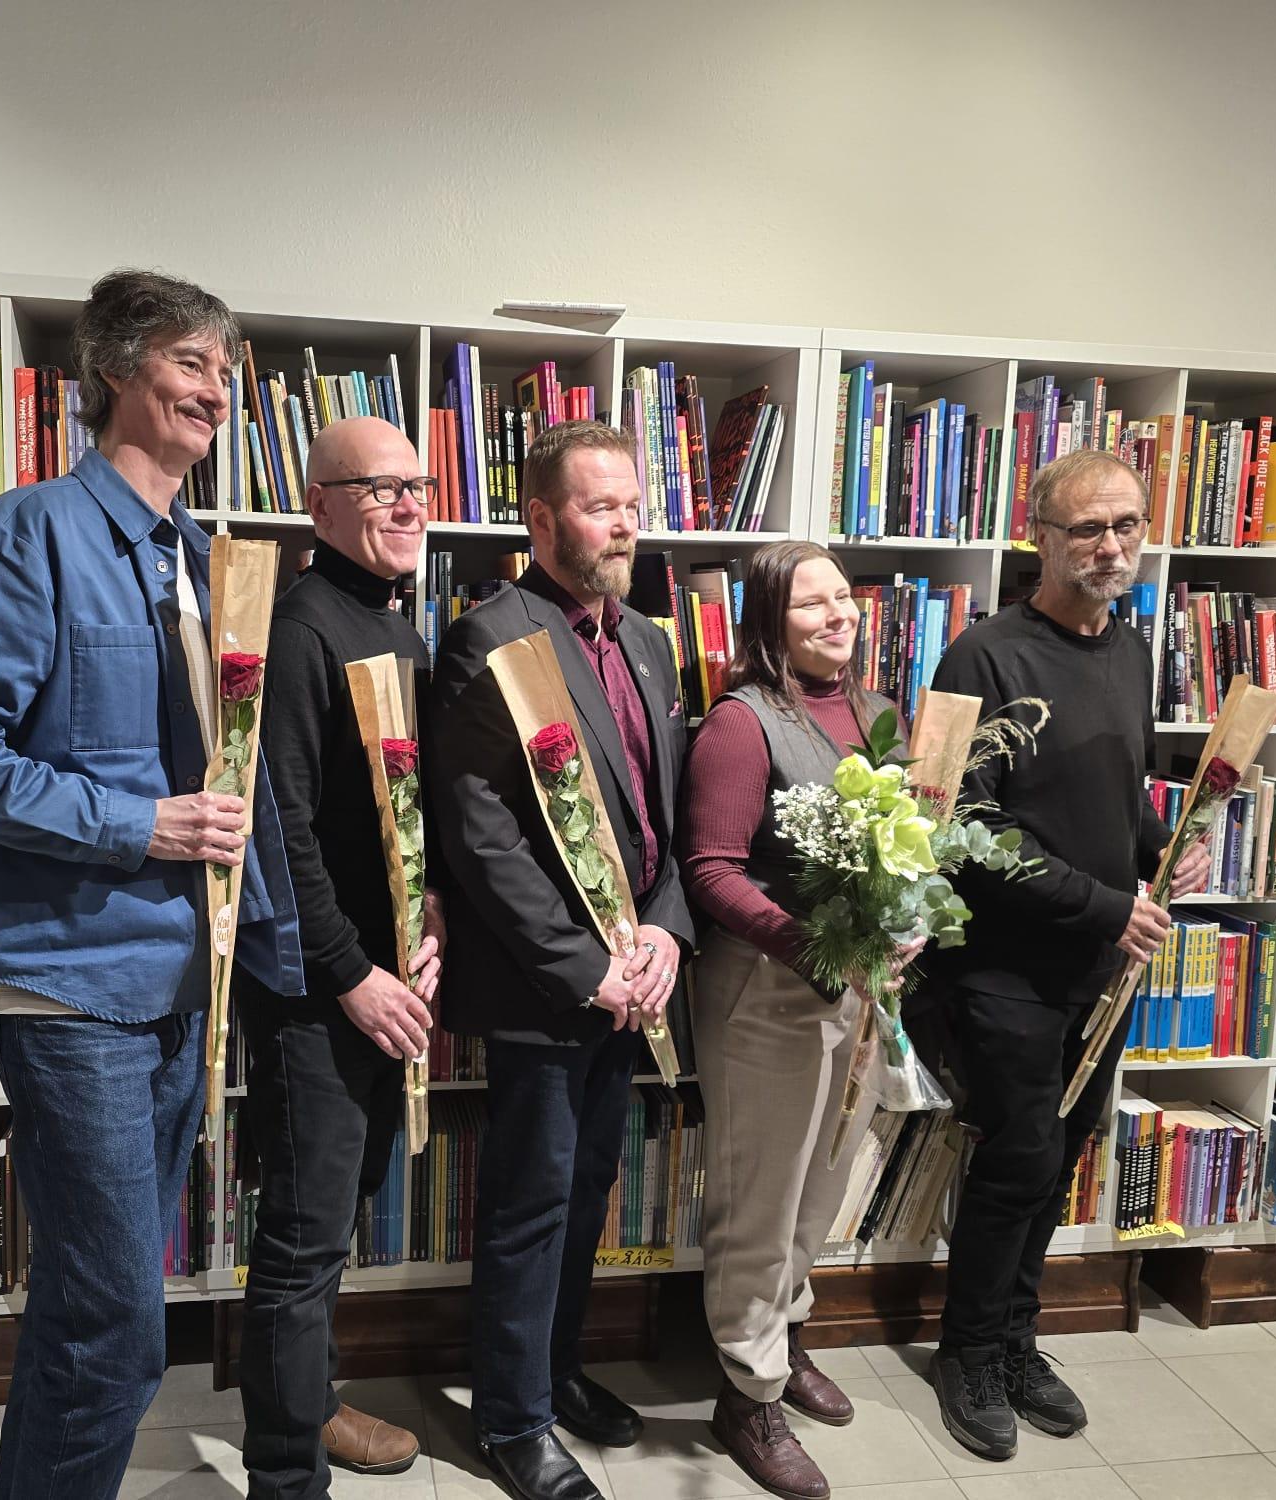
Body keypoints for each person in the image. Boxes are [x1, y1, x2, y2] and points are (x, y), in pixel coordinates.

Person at [0, 268, 305, 1500]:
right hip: (70, 981)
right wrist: (142, 825)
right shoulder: (26, 533)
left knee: (93, 1305)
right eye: (189, 361)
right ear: (115, 370)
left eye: (225, 371)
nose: (214, 390)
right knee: (118, 1322)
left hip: (175, 979)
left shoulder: (197, 558)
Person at [922, 450, 1211, 1461]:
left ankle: (1013, 1339)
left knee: (1059, 1160)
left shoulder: (1129, 649)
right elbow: (960, 824)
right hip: (1004, 968)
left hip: (1099, 965)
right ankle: (965, 1352)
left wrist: (1158, 845)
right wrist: (1101, 905)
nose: (1110, 546)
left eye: (1126, 525)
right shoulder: (979, 656)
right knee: (1018, 1162)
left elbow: (1114, 791)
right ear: (1038, 536)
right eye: (1086, 528)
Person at [426, 419, 692, 1500]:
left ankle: (555, 1370)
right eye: (599, 506)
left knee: (589, 1191)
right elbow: (476, 830)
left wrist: (665, 929)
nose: (624, 525)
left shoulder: (649, 642)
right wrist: (584, 966)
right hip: (548, 989)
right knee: (531, 1205)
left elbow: (663, 813)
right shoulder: (491, 636)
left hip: (636, 979)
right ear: (540, 520)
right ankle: (512, 1420)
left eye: (632, 505)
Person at [680, 540, 922, 1500]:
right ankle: (747, 1394)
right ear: (769, 622)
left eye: (846, 598)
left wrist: (908, 919)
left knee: (822, 1190)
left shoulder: (875, 713)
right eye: (812, 603)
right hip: (767, 994)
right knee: (761, 1203)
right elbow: (711, 870)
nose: (839, 615)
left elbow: (903, 845)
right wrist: (812, 947)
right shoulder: (741, 724)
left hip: (858, 993)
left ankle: (783, 1339)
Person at [238, 415, 447, 1497]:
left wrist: (429, 922)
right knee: (302, 1239)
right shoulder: (301, 631)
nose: (407, 505)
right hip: (320, 997)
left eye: (417, 485)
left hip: (384, 982)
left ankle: (311, 1405)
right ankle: (285, 1476)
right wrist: (352, 975)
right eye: (378, 488)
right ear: (318, 507)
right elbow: (280, 833)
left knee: (341, 1213)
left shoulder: (397, 628)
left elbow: (401, 821)